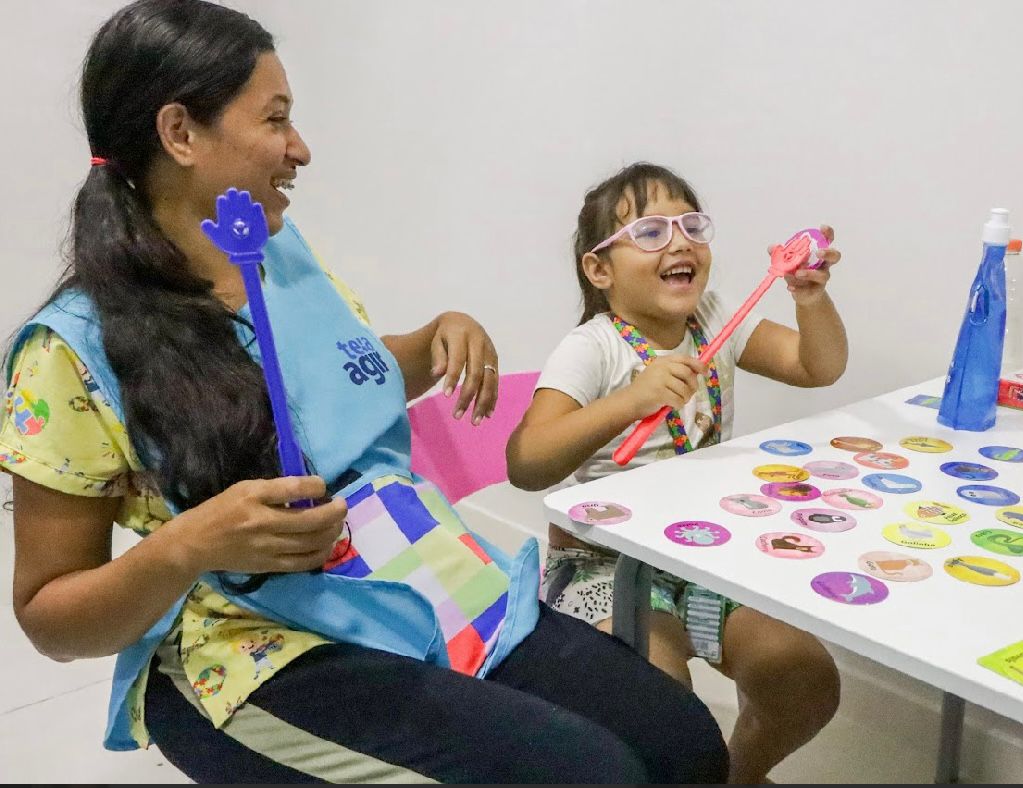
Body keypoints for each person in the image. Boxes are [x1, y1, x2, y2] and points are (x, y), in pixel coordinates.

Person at [1, 4, 727, 783]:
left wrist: (432, 339)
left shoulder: (278, 253)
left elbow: (334, 374)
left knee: (685, 747)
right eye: (275, 118)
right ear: (181, 133)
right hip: (256, 646)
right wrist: (190, 544)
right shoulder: (68, 352)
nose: (300, 149)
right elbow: (52, 617)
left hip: (416, 576)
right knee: (593, 774)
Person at [507, 162, 847, 784]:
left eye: (690, 225)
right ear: (599, 269)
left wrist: (811, 300)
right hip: (604, 564)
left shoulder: (715, 318)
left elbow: (815, 365)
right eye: (651, 231)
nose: (680, 241)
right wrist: (629, 402)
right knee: (664, 709)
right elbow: (526, 462)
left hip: (708, 555)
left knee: (804, 675)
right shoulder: (595, 347)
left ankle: (736, 776)